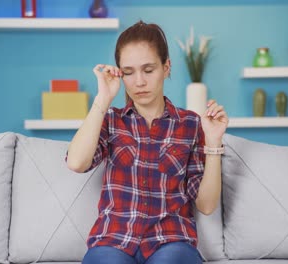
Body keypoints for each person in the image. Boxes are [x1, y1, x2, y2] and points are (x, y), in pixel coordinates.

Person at [66, 20, 228, 264]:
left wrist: (214, 142)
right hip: (113, 240)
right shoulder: (110, 120)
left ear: (166, 67)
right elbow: (77, 163)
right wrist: (102, 98)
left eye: (149, 70)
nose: (139, 82)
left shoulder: (192, 124)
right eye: (129, 72)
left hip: (171, 242)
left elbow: (205, 205)